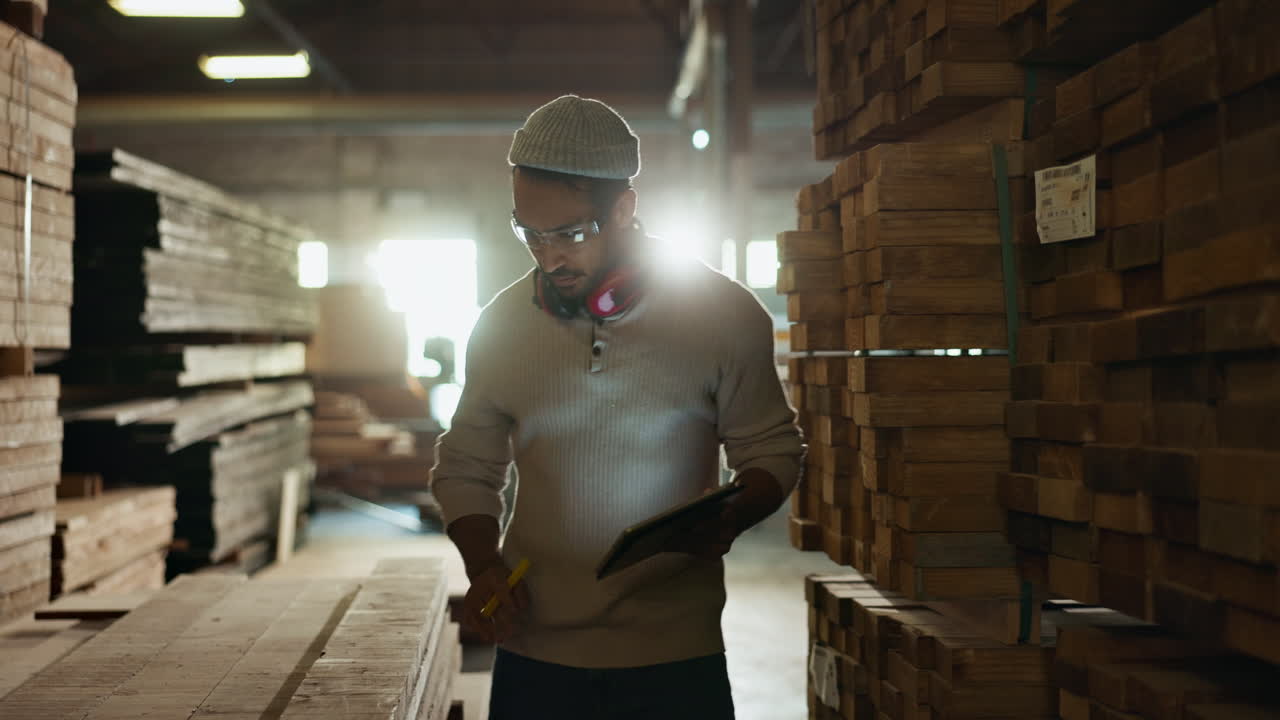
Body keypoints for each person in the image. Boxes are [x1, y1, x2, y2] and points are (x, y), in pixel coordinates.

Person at [431, 94, 804, 720]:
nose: (549, 257)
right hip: (535, 659)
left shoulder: (722, 315)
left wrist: (735, 514)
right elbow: (465, 465)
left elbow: (771, 448)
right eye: (530, 232)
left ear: (625, 209)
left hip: (675, 660)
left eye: (570, 234)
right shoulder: (500, 326)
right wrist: (483, 566)